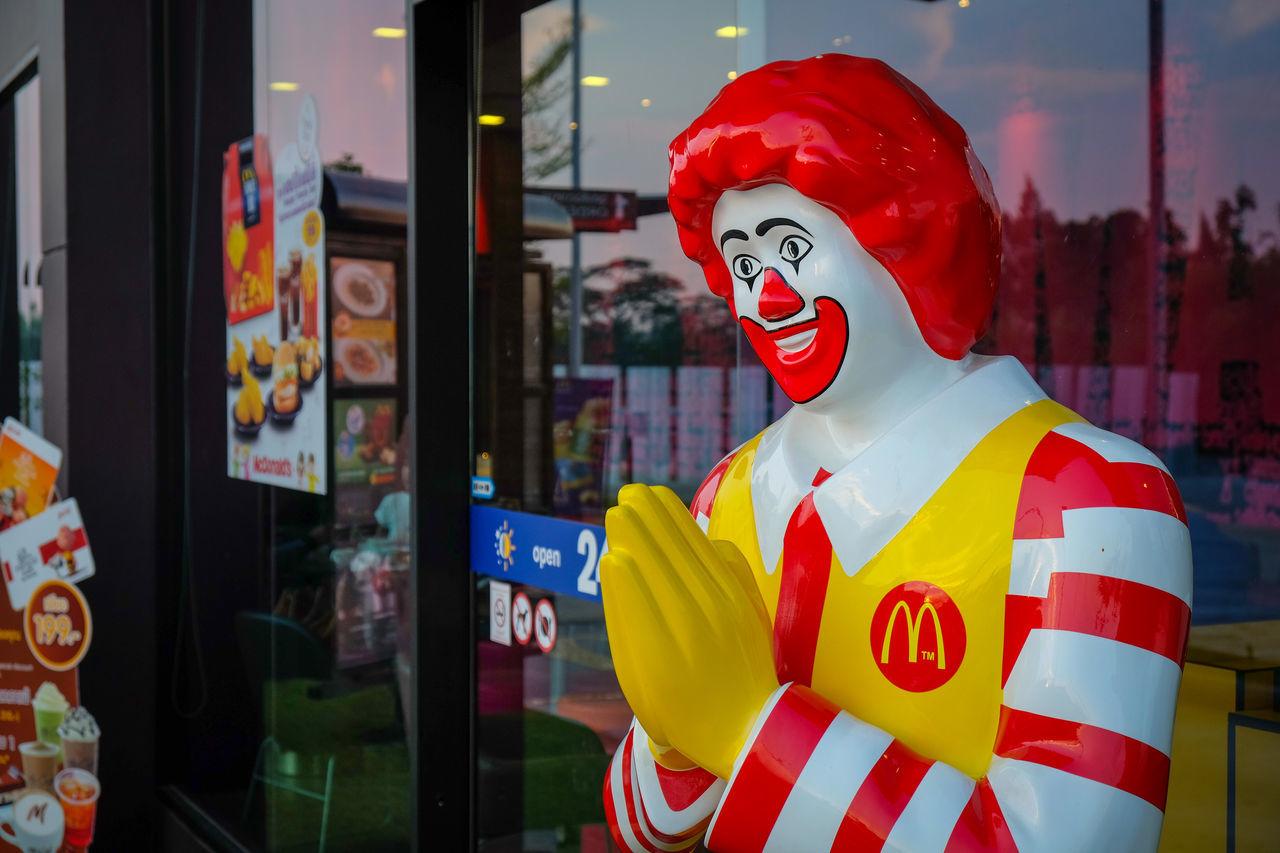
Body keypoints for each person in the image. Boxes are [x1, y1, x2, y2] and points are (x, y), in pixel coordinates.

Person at [601, 54, 1191, 853]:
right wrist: (673, 731)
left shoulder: (1088, 501)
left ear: (906, 236)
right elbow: (643, 828)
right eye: (742, 262)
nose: (764, 299)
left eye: (792, 247)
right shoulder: (727, 493)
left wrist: (750, 733)